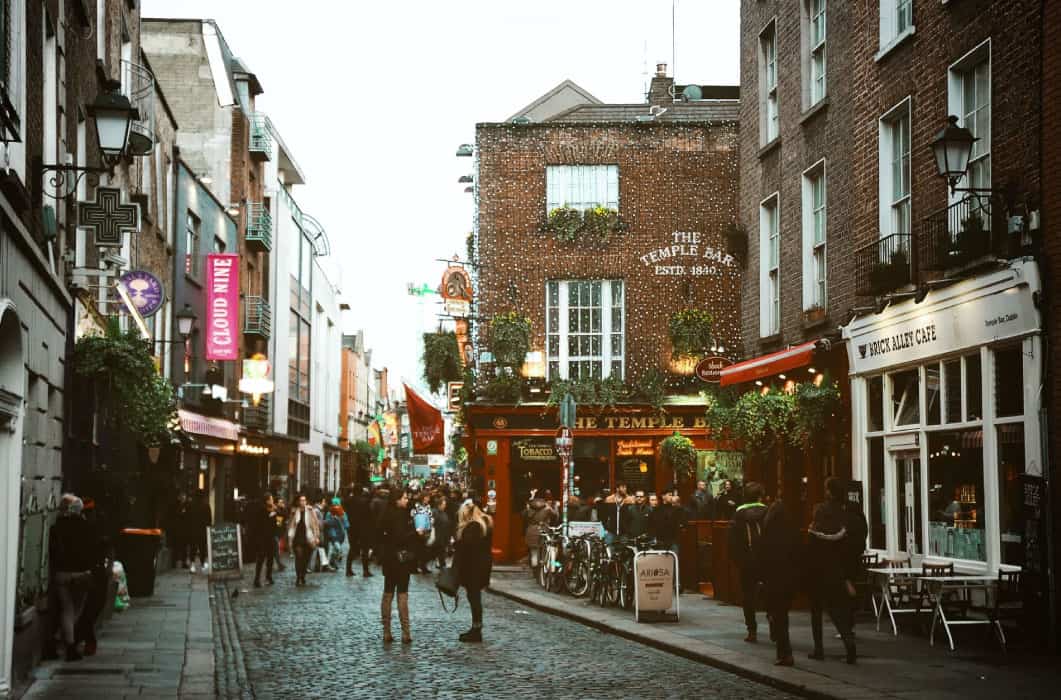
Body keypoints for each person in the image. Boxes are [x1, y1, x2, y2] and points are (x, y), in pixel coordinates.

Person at [807, 478, 866, 664]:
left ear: (829, 492)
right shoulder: (848, 513)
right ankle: (849, 643)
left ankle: (818, 649)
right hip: (840, 569)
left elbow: (813, 538)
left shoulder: (821, 510)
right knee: (837, 610)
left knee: (816, 609)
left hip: (820, 567)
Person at [757, 485, 802, 667]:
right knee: (781, 612)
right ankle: (783, 649)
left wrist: (761, 573)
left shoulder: (772, 520)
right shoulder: (792, 522)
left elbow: (762, 550)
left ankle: (784, 651)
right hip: (787, 574)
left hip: (774, 575)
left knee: (778, 613)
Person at [49, 494, 97, 661]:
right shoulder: (87, 526)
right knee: (76, 609)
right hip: (81, 573)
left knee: (66, 609)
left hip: (61, 573)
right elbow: (93, 549)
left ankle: (62, 639)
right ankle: (67, 644)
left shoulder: (56, 527)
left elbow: (53, 551)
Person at [728, 482, 768, 643]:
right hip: (766, 559)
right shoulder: (768, 511)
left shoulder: (739, 514)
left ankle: (752, 630)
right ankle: (773, 621)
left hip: (747, 561)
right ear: (760, 496)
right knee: (770, 591)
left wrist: (738, 560)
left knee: (747, 595)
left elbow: (732, 540)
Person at [379, 488, 419, 644]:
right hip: (402, 560)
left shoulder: (385, 514)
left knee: (388, 593)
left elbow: (381, 536)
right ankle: (406, 632)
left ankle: (386, 632)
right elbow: (401, 537)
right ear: (396, 500)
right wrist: (416, 533)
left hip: (389, 559)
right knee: (402, 594)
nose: (406, 500)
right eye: (403, 498)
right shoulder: (402, 516)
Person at [454, 495, 494, 642]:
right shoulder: (484, 524)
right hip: (481, 565)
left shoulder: (473, 527)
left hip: (473, 568)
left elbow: (467, 549)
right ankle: (476, 628)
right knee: (474, 597)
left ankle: (476, 630)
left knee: (474, 598)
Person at [73, 497, 109, 657]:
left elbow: (108, 547)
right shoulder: (89, 528)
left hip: (93, 570)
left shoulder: (93, 527)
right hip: (91, 571)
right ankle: (85, 639)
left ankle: (80, 638)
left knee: (92, 607)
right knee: (92, 607)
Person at [287, 494, 321, 586]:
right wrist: (289, 536)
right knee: (298, 557)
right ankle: (298, 577)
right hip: (297, 538)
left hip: (308, 538)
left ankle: (303, 576)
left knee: (306, 559)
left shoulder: (310, 511)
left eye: (304, 500)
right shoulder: (294, 512)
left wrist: (317, 537)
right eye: (301, 500)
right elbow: (290, 524)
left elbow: (316, 524)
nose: (303, 502)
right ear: (298, 502)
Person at [522, 489, 558, 570]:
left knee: (534, 551)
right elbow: (555, 516)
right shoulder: (547, 508)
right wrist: (555, 506)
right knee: (544, 549)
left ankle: (535, 568)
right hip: (543, 530)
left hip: (531, 530)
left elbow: (523, 516)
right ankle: (544, 568)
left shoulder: (529, 507)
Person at [250, 493, 276, 588]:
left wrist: (274, 514)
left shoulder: (273, 510)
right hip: (262, 538)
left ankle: (269, 577)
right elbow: (260, 524)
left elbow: (276, 523)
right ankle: (257, 579)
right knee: (261, 559)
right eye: (271, 499)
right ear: (267, 500)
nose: (273, 501)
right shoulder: (261, 510)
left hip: (271, 538)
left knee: (270, 559)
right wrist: (271, 515)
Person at [411, 491, 435, 574]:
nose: (428, 499)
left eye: (428, 497)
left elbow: (430, 516)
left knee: (425, 549)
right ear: (423, 497)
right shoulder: (416, 506)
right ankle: (414, 567)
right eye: (426, 497)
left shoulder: (428, 506)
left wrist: (431, 522)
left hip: (427, 529)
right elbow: (413, 516)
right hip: (418, 530)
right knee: (417, 549)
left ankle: (423, 566)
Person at [189, 491, 212, 572]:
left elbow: (188, 519)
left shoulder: (191, 506)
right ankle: (203, 565)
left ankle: (192, 565)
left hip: (193, 530)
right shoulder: (206, 506)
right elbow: (209, 520)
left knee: (193, 548)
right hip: (203, 530)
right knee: (202, 547)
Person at [324, 497, 348, 571]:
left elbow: (346, 524)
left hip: (341, 534)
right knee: (338, 549)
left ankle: (332, 562)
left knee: (336, 550)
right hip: (333, 534)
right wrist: (334, 520)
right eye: (334, 504)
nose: (336, 506)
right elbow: (326, 523)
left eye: (337, 504)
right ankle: (331, 562)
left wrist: (342, 518)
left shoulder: (343, 513)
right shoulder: (329, 514)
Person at [432, 494, 453, 570]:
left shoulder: (444, 513)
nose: (445, 506)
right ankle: (441, 564)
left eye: (445, 504)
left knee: (442, 551)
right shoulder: (435, 512)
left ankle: (442, 564)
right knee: (439, 551)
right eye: (443, 504)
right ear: (439, 505)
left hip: (444, 536)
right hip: (438, 535)